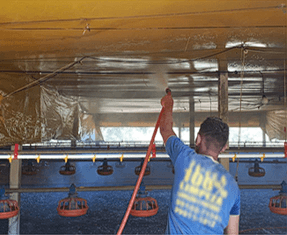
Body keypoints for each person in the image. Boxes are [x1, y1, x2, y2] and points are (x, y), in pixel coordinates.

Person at [160, 91, 240, 235]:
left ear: (198, 139)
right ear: (223, 148)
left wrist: (168, 105)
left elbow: (166, 130)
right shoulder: (233, 187)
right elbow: (233, 233)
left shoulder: (184, 158)